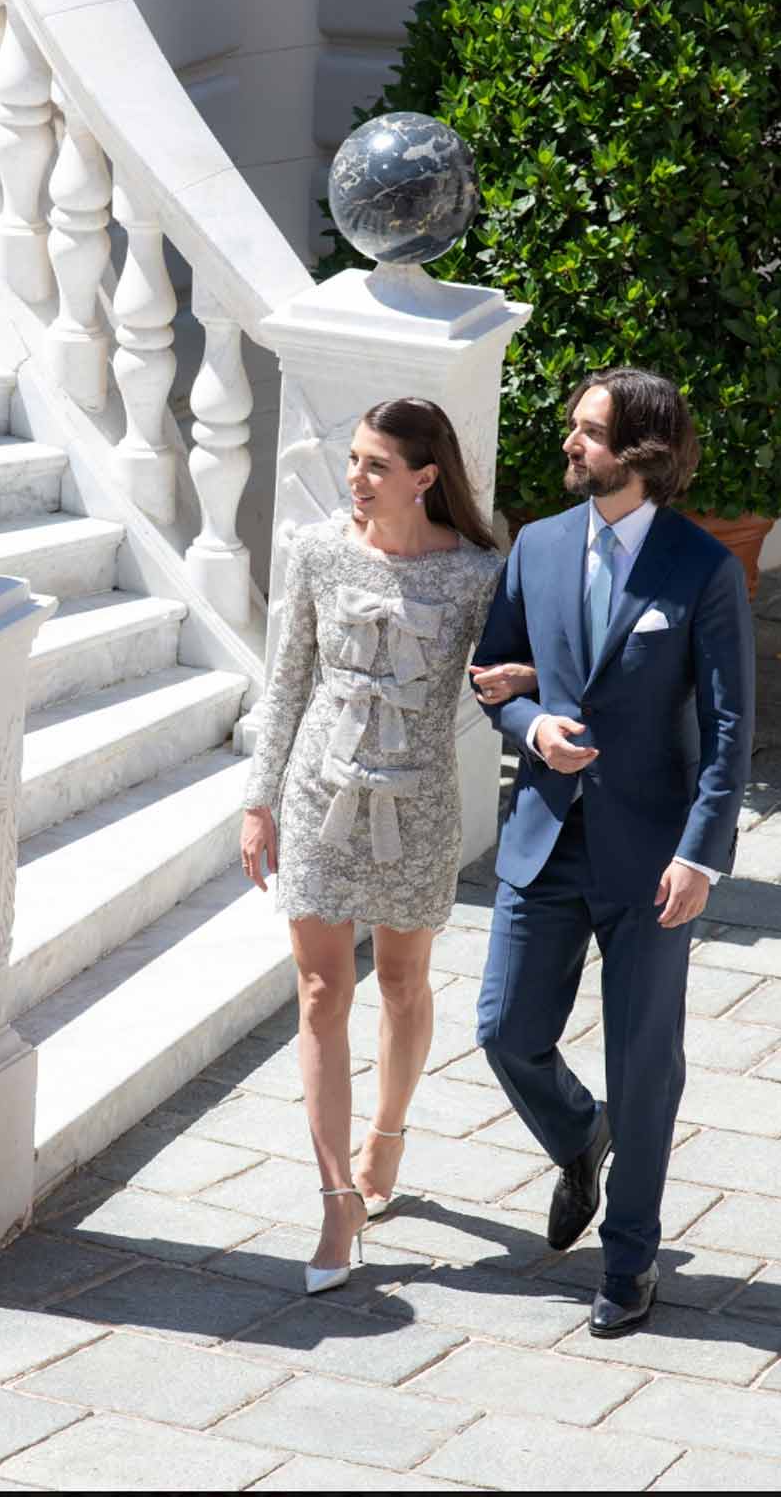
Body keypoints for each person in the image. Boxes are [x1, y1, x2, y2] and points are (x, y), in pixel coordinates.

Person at [470, 366, 754, 1337]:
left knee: (644, 1065)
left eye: (586, 432)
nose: (568, 444)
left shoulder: (700, 568)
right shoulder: (538, 546)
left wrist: (701, 856)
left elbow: (728, 728)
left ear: (639, 453)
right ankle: (576, 1132)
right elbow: (493, 678)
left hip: (649, 859)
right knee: (505, 1027)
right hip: (544, 840)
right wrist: (533, 723)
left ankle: (629, 1260)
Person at [241, 397, 509, 1295]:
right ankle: (334, 1201)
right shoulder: (318, 551)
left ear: (425, 478)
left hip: (419, 802)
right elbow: (285, 686)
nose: (354, 479)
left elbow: (518, 667)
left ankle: (386, 1134)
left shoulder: (477, 573)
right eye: (353, 459)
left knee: (401, 981)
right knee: (322, 988)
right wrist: (257, 799)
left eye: (374, 466)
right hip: (319, 794)